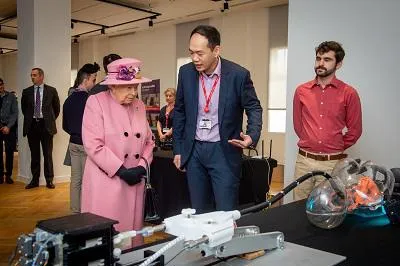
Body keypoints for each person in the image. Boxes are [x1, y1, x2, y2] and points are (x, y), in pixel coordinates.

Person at [173, 25, 262, 213]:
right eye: (191, 53)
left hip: (223, 151)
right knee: (198, 211)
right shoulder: (186, 73)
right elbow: (180, 111)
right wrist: (179, 150)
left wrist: (251, 135)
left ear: (216, 50)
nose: (195, 59)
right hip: (194, 151)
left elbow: (254, 107)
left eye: (200, 53)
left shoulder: (238, 75)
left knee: (225, 212)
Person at [81, 58, 155, 242]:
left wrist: (141, 166)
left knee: (131, 238)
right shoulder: (96, 102)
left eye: (135, 87)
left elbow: (149, 141)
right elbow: (93, 144)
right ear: (112, 86)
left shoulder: (139, 105)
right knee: (108, 239)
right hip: (107, 181)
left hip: (135, 181)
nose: (133, 92)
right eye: (128, 87)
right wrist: (121, 171)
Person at [293, 41, 362, 200]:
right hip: (304, 161)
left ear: (338, 64)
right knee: (296, 207)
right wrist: (310, 140)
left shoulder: (349, 93)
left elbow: (355, 131)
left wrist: (335, 146)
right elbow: (298, 125)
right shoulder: (301, 91)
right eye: (318, 58)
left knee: (328, 207)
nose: (320, 63)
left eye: (327, 59)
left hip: (332, 164)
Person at [63, 63, 100, 213]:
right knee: (87, 181)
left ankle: (75, 211)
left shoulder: (68, 100)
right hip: (86, 145)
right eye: (94, 79)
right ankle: (86, 212)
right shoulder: (90, 100)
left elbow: (65, 126)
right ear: (86, 80)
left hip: (73, 143)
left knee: (75, 180)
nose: (95, 83)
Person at [21, 68, 60, 189]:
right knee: (35, 155)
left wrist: (48, 119)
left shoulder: (52, 90)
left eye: (35, 75)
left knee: (47, 154)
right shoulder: (26, 91)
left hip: (46, 126)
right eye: (31, 75)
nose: (32, 77)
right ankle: (34, 180)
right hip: (32, 126)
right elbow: (24, 109)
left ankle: (49, 180)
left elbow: (56, 109)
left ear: (41, 76)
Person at [0, 78, 18, 184]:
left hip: (9, 129)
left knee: (9, 152)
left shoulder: (11, 97)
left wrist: (8, 126)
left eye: (1, 84)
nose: (1, 87)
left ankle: (8, 175)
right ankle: (0, 175)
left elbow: (14, 113)